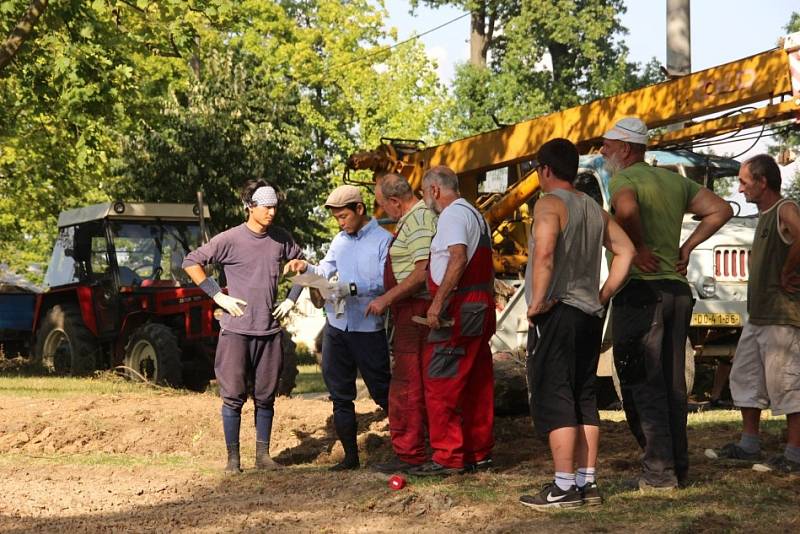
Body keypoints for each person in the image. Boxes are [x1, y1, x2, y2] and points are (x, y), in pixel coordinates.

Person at [601, 117, 733, 489]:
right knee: (673, 385)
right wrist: (687, 247)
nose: (603, 150)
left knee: (642, 382)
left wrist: (639, 246)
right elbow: (722, 209)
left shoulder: (624, 179)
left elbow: (626, 210)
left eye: (607, 145)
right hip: (676, 292)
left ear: (626, 148)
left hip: (642, 292)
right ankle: (677, 467)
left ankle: (658, 475)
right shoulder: (674, 180)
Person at [518, 139, 635, 510]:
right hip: (588, 313)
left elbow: (546, 251)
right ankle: (588, 482)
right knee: (584, 397)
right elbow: (627, 250)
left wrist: (537, 303)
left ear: (546, 170)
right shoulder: (592, 207)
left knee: (556, 395)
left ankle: (563, 486)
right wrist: (603, 295)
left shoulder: (549, 204)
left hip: (557, 310)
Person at [183, 179, 304, 474]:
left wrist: (291, 298)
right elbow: (190, 262)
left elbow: (303, 265)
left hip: (268, 331)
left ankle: (262, 457)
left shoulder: (281, 238)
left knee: (266, 397)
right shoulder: (230, 239)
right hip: (236, 331)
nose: (271, 213)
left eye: (275, 207)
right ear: (250, 207)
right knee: (233, 397)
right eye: (266, 207)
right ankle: (232, 460)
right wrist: (217, 297)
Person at [284, 185, 393, 471]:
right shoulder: (339, 241)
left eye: (344, 216)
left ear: (360, 209)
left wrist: (352, 288)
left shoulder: (384, 240)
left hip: (368, 328)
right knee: (340, 395)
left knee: (383, 393)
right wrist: (303, 268)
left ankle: (409, 449)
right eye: (336, 218)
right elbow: (322, 271)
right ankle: (350, 458)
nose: (340, 223)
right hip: (337, 325)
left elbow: (387, 283)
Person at [708, 154, 800, 473]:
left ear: (762, 182)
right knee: (744, 377)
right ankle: (749, 445)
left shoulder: (785, 208)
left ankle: (794, 454)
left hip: (781, 318)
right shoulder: (764, 215)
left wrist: (788, 271)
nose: (740, 188)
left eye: (744, 181)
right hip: (759, 317)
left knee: (787, 385)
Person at [407, 165, 496, 476]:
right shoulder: (475, 214)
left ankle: (448, 457)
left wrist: (438, 304)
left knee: (440, 382)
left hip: (459, 310)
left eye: (423, 193)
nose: (424, 200)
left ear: (434, 190)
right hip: (480, 305)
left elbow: (457, 258)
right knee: (476, 383)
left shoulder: (452, 216)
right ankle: (478, 453)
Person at [365, 173, 437, 474]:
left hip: (415, 310)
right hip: (408, 310)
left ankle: (412, 454)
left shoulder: (419, 220)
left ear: (395, 201)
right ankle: (416, 449)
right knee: (410, 383)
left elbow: (422, 271)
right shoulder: (414, 219)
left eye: (383, 205)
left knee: (408, 385)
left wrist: (386, 298)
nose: (383, 211)